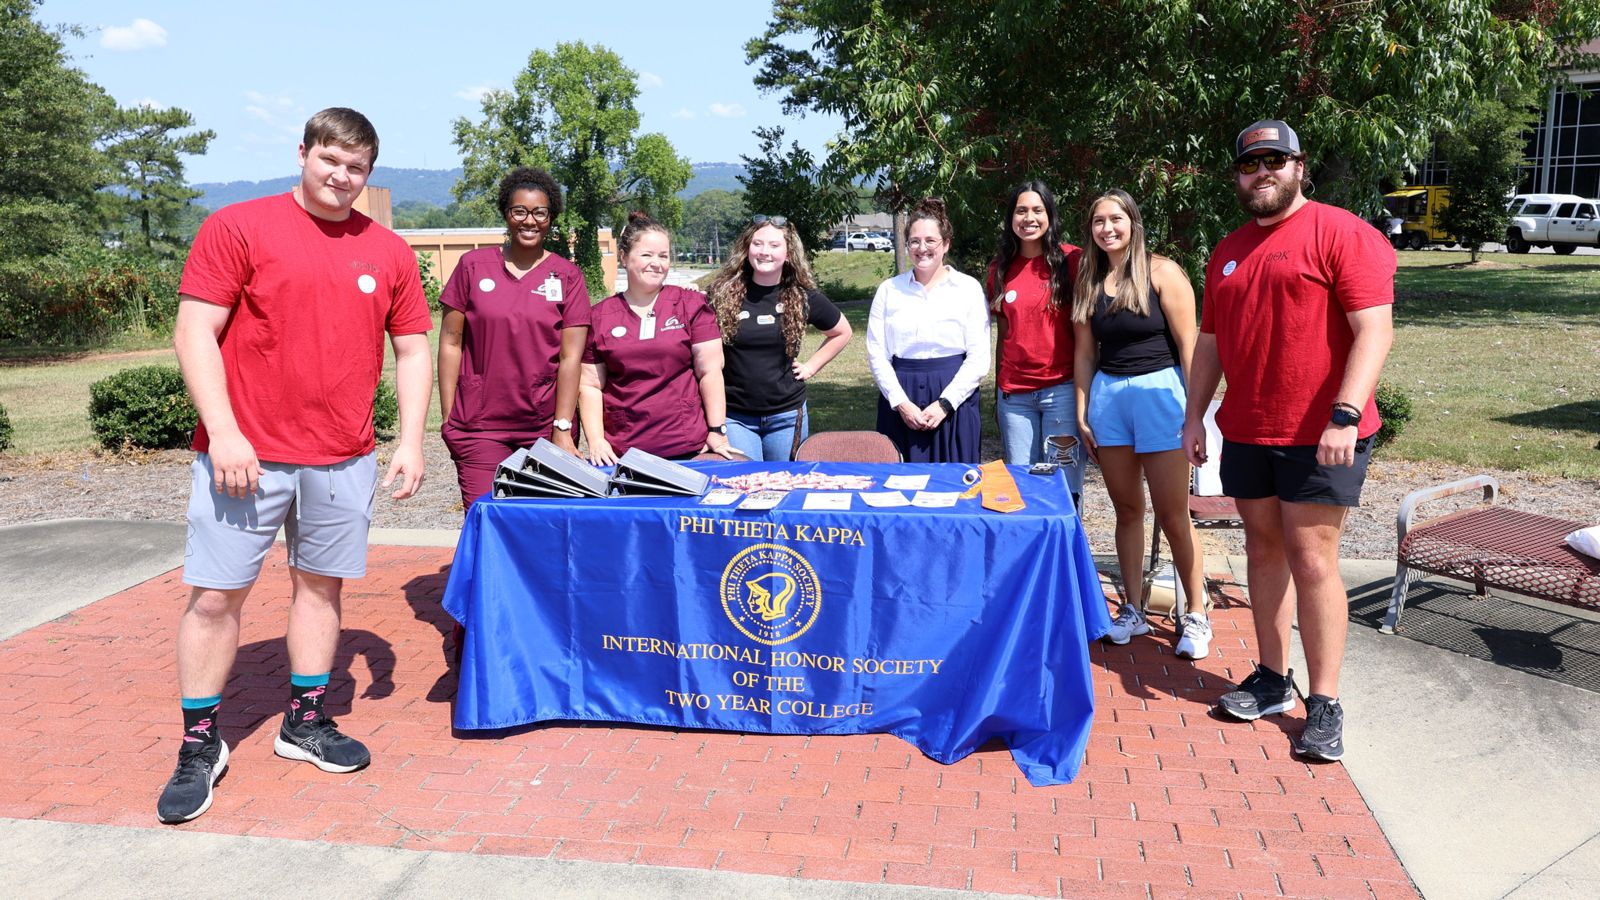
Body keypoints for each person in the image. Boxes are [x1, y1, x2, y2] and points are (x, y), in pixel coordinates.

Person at [159, 108, 433, 823]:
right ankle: (199, 743)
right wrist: (223, 431)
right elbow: (194, 331)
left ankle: (303, 723)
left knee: (320, 589)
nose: (342, 177)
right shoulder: (239, 227)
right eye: (330, 161)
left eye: (357, 168)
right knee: (217, 597)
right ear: (304, 154)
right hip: (245, 456)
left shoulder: (389, 251)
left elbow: (412, 349)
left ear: (369, 174)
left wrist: (409, 440)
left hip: (343, 455)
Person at [1182, 119, 1394, 761]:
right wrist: (1195, 416)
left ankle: (1324, 701)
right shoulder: (1228, 251)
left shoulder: (1341, 233)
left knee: (1312, 561)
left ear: (1299, 167)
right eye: (1251, 165)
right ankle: (1273, 679)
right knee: (1264, 553)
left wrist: (1345, 415)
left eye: (1276, 161)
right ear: (1238, 176)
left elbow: (1373, 331)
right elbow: (1211, 343)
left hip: (1320, 433)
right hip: (1247, 429)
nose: (1263, 173)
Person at [1071, 189, 1211, 659]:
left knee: (1174, 515)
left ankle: (1196, 611)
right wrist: (1082, 406)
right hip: (1110, 399)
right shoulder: (1089, 279)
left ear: (1133, 222)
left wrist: (1196, 414)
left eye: (1115, 219)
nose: (1107, 228)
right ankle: (1133, 609)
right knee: (1127, 511)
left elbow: (1191, 347)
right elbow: (1086, 352)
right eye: (1098, 221)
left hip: (1162, 396)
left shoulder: (1163, 271)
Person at [437, 167, 590, 508]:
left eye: (540, 212)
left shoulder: (568, 276)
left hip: (542, 427)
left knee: (539, 526)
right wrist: (449, 418)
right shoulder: (472, 267)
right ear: (506, 214)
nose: (529, 221)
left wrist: (562, 427)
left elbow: (571, 358)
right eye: (519, 211)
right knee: (485, 519)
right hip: (478, 427)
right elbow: (450, 343)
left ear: (551, 218)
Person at [580, 212, 734, 463]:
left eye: (663, 256)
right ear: (624, 258)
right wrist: (596, 440)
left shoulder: (691, 305)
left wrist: (717, 430)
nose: (657, 263)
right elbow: (589, 385)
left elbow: (711, 372)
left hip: (687, 448)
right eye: (647, 255)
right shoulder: (600, 317)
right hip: (626, 453)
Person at [704, 215, 853, 460]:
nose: (765, 252)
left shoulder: (802, 297)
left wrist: (811, 367)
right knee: (745, 485)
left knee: (786, 485)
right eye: (758, 244)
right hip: (735, 416)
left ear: (788, 253)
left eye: (774, 246)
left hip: (786, 416)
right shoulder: (721, 294)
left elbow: (842, 332)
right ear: (746, 248)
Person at [866, 198, 991, 463]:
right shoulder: (889, 291)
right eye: (914, 241)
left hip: (955, 400)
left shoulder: (968, 289)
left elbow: (979, 358)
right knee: (897, 488)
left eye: (930, 240)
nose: (922, 248)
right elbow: (877, 354)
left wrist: (946, 403)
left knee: (956, 490)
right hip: (900, 398)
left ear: (946, 244)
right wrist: (901, 403)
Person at [987, 181, 1085, 501]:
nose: (1029, 218)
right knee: (1021, 486)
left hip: (1062, 392)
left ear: (1050, 216)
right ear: (1010, 218)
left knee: (1063, 486)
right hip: (1014, 397)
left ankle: (1065, 551)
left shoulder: (1072, 261)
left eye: (1037, 210)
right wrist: (999, 387)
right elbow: (1004, 333)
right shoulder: (999, 269)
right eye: (1021, 211)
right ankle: (1028, 552)